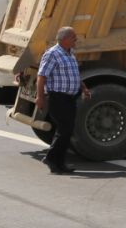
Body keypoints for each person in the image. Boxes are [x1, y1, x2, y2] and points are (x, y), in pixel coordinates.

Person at [35, 27, 90, 174]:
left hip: (70, 98)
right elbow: (41, 77)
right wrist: (40, 97)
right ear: (64, 39)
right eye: (73, 37)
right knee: (64, 129)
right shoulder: (53, 54)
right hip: (58, 98)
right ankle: (52, 158)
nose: (76, 40)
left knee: (67, 130)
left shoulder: (70, 53)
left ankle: (58, 164)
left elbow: (75, 75)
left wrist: (84, 88)